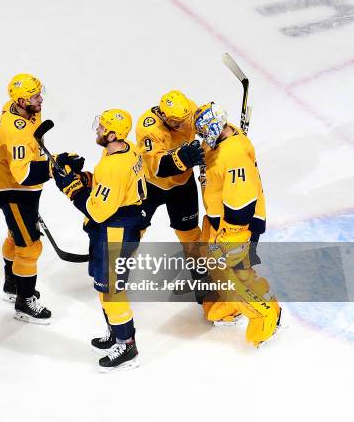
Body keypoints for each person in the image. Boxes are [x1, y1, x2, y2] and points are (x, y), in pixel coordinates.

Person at [53, 109, 146, 372]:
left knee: (112, 290)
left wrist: (71, 187)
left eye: (102, 128)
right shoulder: (127, 149)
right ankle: (116, 332)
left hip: (116, 229)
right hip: (119, 223)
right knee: (105, 285)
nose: (98, 130)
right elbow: (111, 190)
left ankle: (127, 345)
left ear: (113, 134)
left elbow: (96, 209)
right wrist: (86, 180)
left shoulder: (112, 165)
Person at [0, 73, 78, 323]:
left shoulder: (20, 109)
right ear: (22, 101)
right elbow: (24, 174)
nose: (41, 99)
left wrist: (56, 158)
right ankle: (24, 302)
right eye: (35, 96)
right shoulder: (15, 131)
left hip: (17, 185)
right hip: (13, 190)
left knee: (15, 235)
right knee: (29, 246)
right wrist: (53, 166)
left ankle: (12, 284)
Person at [193, 102, 281, 346]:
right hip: (218, 218)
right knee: (217, 267)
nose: (200, 136)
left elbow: (242, 200)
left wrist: (231, 232)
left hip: (236, 224)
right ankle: (234, 305)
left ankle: (267, 313)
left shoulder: (232, 154)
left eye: (202, 131)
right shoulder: (223, 139)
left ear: (213, 127)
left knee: (237, 273)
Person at [135, 90, 206, 302]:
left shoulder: (188, 110)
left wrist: (226, 137)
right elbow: (158, 167)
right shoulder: (148, 127)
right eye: (177, 122)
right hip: (151, 185)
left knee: (191, 234)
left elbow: (209, 129)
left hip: (182, 184)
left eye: (185, 121)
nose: (183, 126)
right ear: (164, 117)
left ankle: (203, 283)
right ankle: (114, 272)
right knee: (133, 230)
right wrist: (183, 157)